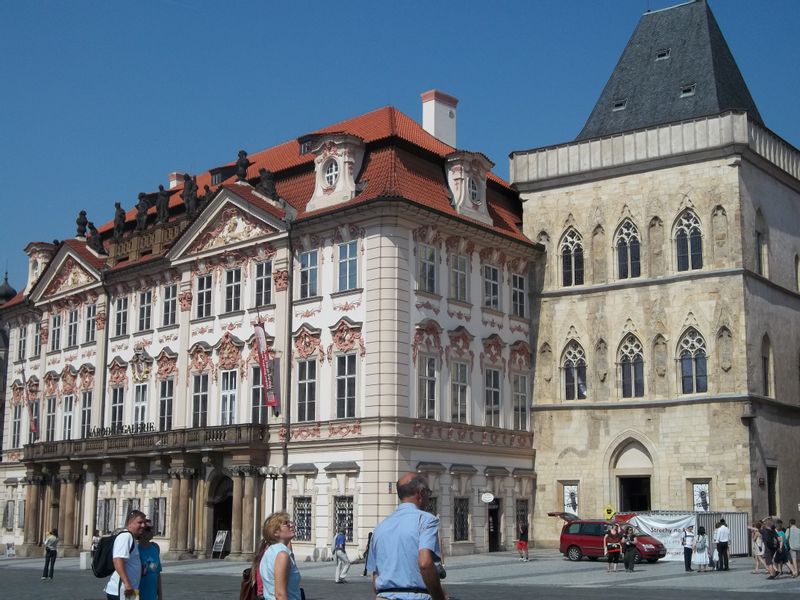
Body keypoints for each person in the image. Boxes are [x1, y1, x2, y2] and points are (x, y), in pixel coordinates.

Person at [367, 472, 446, 600]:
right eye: (428, 493)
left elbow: (375, 580)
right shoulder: (425, 520)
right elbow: (425, 563)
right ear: (421, 493)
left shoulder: (379, 528)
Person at [259, 512, 302, 600]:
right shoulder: (282, 555)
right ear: (275, 532)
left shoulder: (270, 551)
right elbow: (280, 595)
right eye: (286, 523)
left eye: (290, 522)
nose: (291, 525)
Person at [105, 509, 146, 599]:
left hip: (129, 589)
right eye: (140, 522)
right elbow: (117, 560)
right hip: (122, 590)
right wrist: (127, 584)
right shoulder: (125, 536)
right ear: (130, 522)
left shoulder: (132, 538)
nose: (143, 525)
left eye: (144, 523)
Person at [138, 519, 163, 600]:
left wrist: (160, 596)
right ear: (141, 531)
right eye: (148, 529)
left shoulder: (155, 548)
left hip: (151, 595)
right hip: (136, 594)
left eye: (153, 528)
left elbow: (157, 574)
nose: (151, 531)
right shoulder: (134, 550)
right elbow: (128, 577)